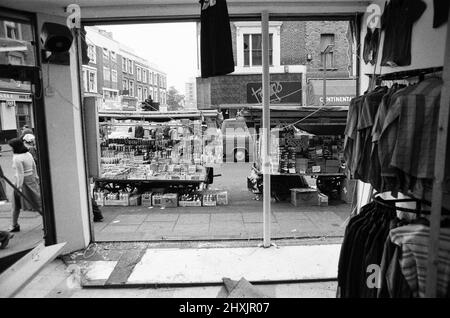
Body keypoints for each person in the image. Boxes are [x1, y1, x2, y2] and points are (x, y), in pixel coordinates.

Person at [8, 138, 42, 232]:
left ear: (15, 147)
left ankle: (14, 225)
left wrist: (19, 187)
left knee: (15, 205)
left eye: (11, 147)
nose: (11, 149)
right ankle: (48, 222)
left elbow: (20, 174)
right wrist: (36, 178)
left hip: (22, 182)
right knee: (38, 203)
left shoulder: (17, 158)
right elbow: (34, 167)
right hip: (31, 179)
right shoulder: (28, 154)